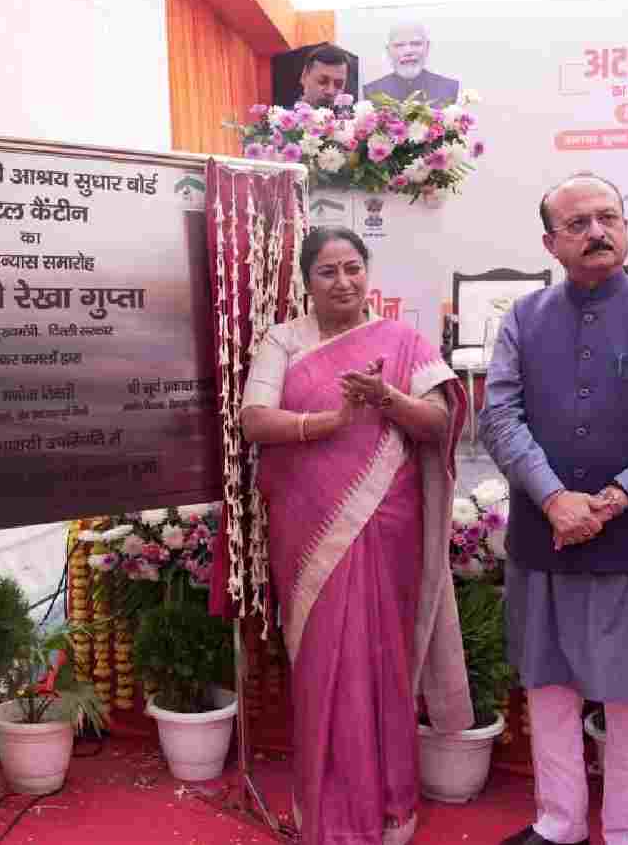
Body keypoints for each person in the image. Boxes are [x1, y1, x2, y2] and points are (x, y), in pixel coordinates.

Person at [479, 172, 628, 845]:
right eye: (577, 224)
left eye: (608, 218)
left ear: (627, 228)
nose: (597, 233)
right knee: (549, 691)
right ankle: (559, 823)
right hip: (544, 538)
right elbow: (500, 418)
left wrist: (609, 502)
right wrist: (553, 498)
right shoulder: (523, 318)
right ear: (551, 242)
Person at [241, 226, 472, 845]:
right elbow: (254, 419)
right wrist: (331, 420)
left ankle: (391, 810)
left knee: (381, 660)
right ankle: (331, 812)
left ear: (367, 273)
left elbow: (439, 421)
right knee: (323, 663)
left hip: (386, 524)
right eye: (327, 272)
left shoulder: (401, 341)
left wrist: (387, 398)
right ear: (306, 280)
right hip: (308, 527)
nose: (342, 282)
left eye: (352, 268)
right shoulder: (283, 341)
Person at [363, 23, 459, 106]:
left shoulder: (450, 88)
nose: (408, 51)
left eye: (416, 44)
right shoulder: (371, 91)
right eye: (399, 45)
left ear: (427, 47)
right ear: (388, 50)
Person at [298, 43, 351, 109]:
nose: (330, 91)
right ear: (304, 76)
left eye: (338, 84)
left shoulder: (352, 118)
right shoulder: (282, 117)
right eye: (322, 81)